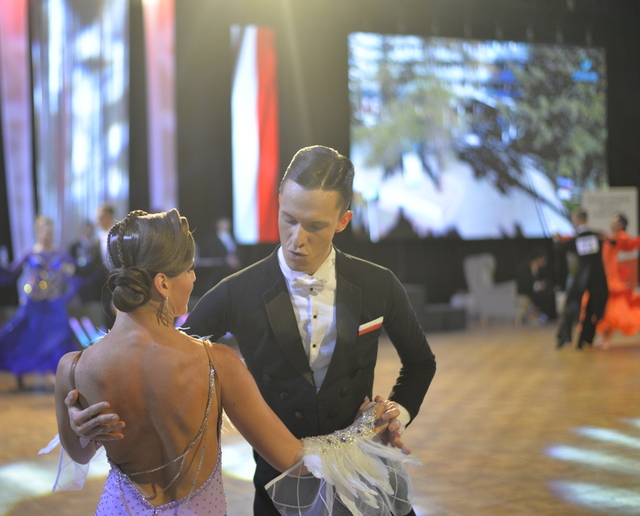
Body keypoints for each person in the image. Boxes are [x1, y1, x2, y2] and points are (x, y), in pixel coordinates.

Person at [67, 146, 436, 516]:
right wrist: (86, 419)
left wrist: (396, 415)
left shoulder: (379, 284)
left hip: (366, 481)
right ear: (278, 203)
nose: (297, 239)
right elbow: (161, 354)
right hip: (278, 486)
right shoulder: (236, 292)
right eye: (288, 219)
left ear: (343, 221)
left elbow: (420, 362)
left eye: (314, 226)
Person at [0, 216, 82, 388]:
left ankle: (54, 372)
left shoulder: (61, 254)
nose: (48, 236)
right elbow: (9, 274)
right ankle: (19, 369)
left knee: (61, 334)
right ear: (38, 233)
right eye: (44, 232)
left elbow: (78, 276)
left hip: (54, 304)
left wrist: (67, 295)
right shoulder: (30, 253)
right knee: (25, 337)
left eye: (50, 232)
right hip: (33, 304)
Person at [554, 208, 608, 349]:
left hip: (581, 277)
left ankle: (565, 336)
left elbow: (561, 249)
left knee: (571, 304)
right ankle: (585, 339)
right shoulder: (598, 235)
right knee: (592, 307)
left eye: (573, 218)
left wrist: (558, 241)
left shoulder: (576, 238)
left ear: (578, 219)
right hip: (597, 278)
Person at [592, 213, 640, 350]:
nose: (612, 224)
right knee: (606, 310)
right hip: (605, 276)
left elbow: (624, 242)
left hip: (612, 279)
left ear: (621, 225)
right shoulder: (611, 236)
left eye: (615, 222)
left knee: (610, 311)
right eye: (612, 221)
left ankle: (606, 339)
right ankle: (604, 337)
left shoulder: (621, 236)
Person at [193, 217, 242, 298]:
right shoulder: (212, 239)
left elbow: (238, 251)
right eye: (223, 222)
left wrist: (236, 260)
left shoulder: (233, 237)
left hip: (234, 268)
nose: (226, 225)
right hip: (220, 268)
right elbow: (212, 252)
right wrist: (226, 259)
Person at [516, 249, 558, 323]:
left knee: (550, 292)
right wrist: (536, 286)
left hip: (536, 291)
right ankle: (545, 316)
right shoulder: (524, 268)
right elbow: (524, 283)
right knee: (545, 295)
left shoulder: (539, 269)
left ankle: (551, 317)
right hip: (527, 291)